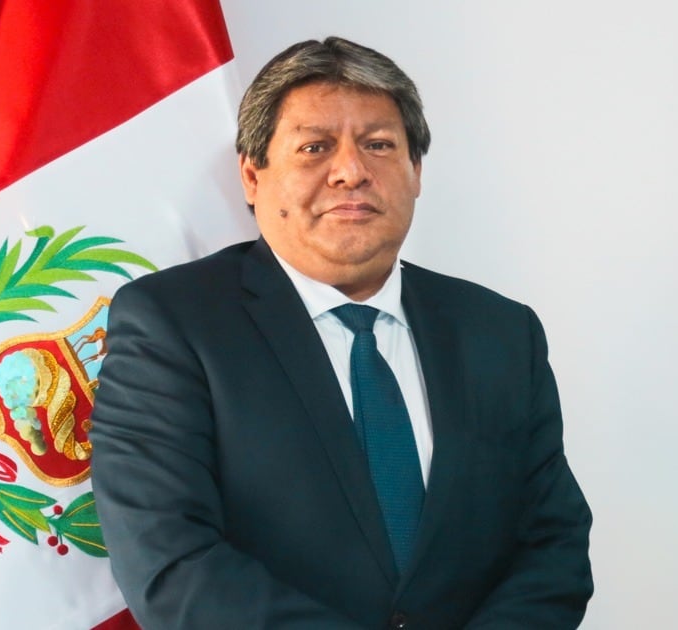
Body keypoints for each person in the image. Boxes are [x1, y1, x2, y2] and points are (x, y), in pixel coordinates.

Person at [89, 36, 592, 629]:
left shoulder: (500, 331)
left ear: (415, 172)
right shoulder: (172, 324)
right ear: (251, 176)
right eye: (315, 147)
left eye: (379, 145)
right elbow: (171, 562)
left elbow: (552, 545)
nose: (351, 171)